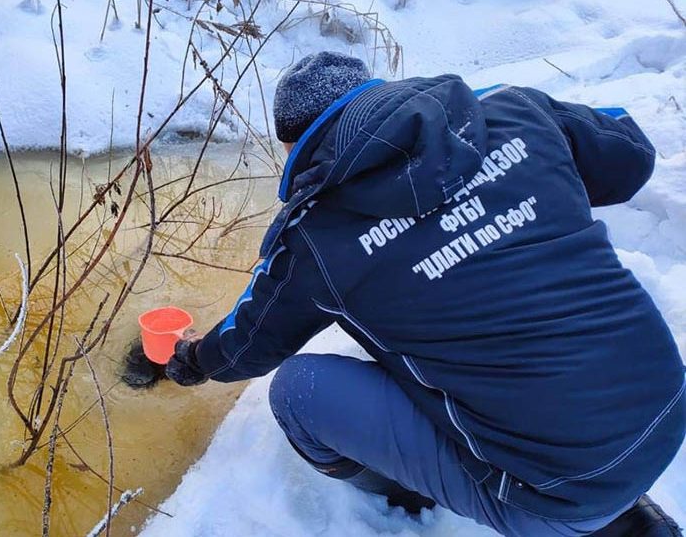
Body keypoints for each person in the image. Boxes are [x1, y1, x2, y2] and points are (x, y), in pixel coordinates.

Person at [164, 51, 686, 536]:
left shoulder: (316, 236)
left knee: (296, 392)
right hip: (668, 405)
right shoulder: (511, 110)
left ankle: (407, 500)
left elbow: (248, 343)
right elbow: (630, 155)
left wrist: (191, 357)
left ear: (292, 147)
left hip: (557, 492)